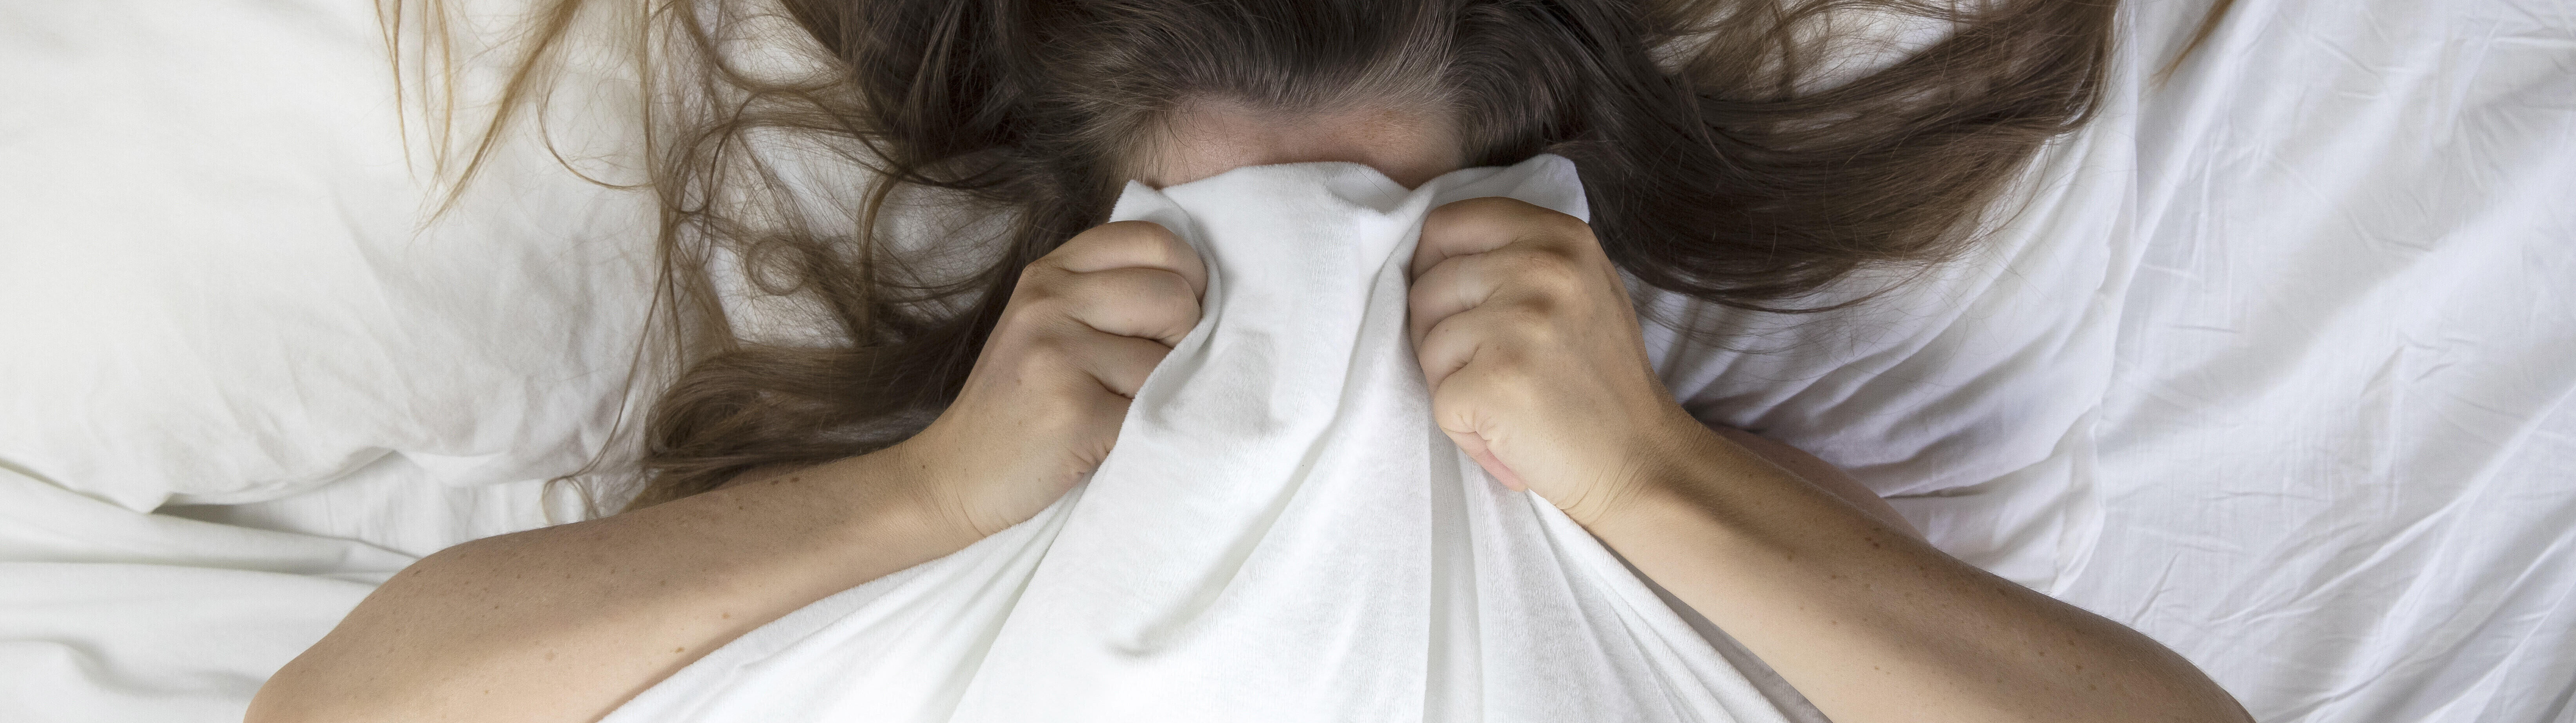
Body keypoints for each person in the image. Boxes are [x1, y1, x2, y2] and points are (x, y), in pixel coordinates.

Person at [250, 1, 2252, 721]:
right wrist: (923, 494)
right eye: (1214, 257)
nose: (1306, 362)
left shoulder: (1696, 526)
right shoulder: (925, 504)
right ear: (1083, 240)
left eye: (1385, 254)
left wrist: (1645, 477)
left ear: (1536, 218)